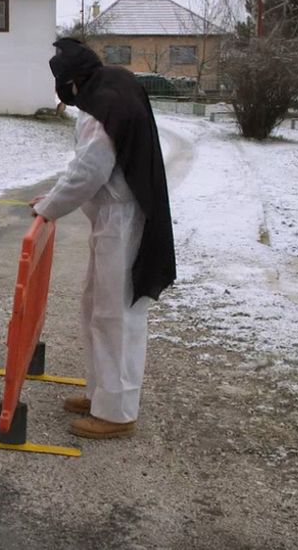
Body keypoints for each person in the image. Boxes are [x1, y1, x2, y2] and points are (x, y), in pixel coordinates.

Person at [30, 38, 176, 439]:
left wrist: (49, 208)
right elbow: (86, 170)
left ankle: (117, 413)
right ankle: (101, 395)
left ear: (72, 80)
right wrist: (53, 199)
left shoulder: (101, 105)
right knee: (97, 307)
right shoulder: (110, 86)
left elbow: (90, 171)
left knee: (118, 315)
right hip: (115, 216)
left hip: (123, 219)